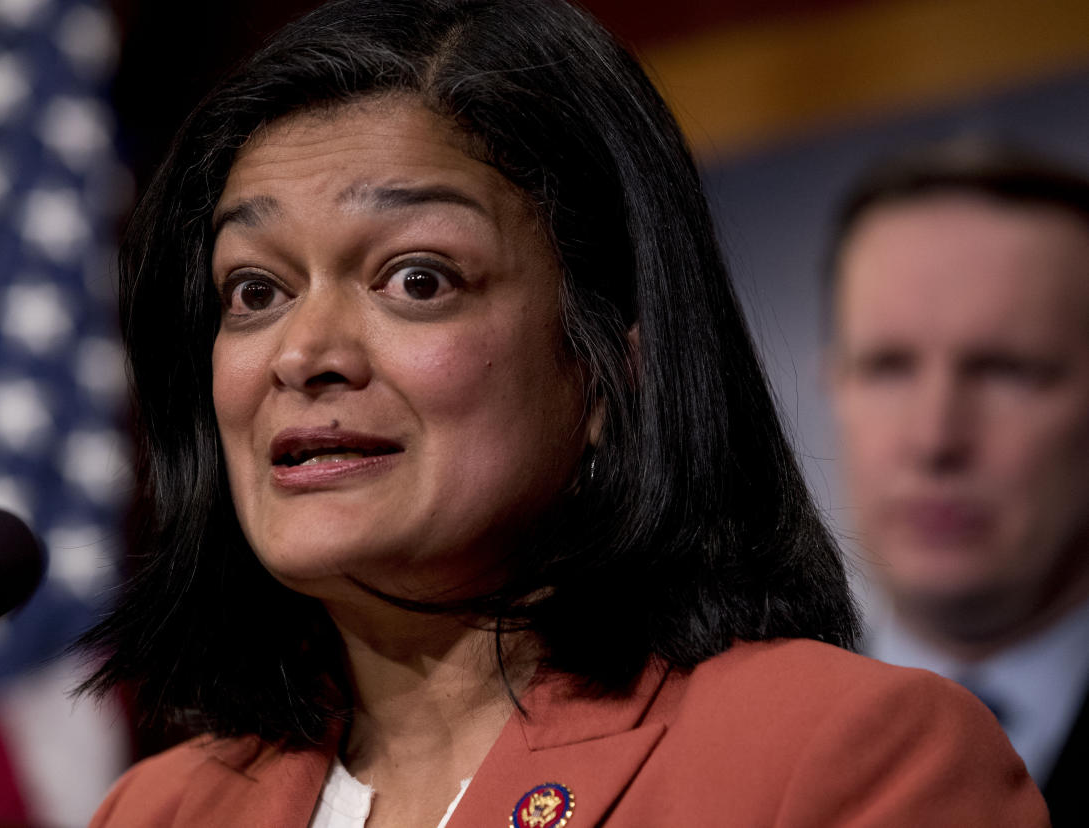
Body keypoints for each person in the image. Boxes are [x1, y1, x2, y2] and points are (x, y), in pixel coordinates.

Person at [81, 1, 1046, 825]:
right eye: (254, 291)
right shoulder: (157, 808)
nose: (303, 354)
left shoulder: (843, 761)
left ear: (609, 369)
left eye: (417, 278)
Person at [827, 140, 1089, 824]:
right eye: (889, 367)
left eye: (1007, 370)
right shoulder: (742, 747)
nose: (935, 439)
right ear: (835, 387)